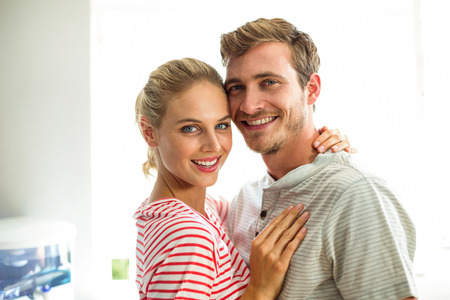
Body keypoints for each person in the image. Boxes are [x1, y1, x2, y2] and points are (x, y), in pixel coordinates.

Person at [221, 18, 417, 300]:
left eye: (269, 82)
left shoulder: (355, 195)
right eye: (236, 88)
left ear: (311, 89)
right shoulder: (245, 199)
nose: (250, 105)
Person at [133, 58, 352, 299]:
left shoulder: (203, 209)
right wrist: (260, 290)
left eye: (221, 125)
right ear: (149, 132)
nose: (214, 145)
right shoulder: (189, 235)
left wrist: (323, 149)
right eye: (190, 128)